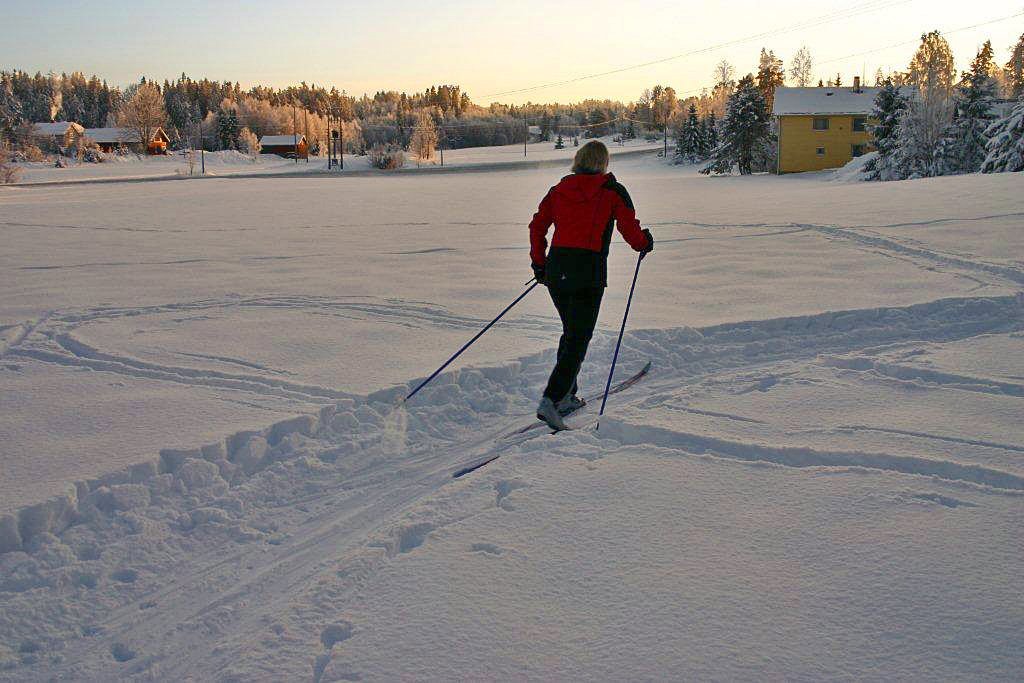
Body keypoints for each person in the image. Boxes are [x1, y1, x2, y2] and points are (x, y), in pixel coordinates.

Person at [529, 140, 653, 430]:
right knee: (578, 339)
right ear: (603, 163)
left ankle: (566, 396)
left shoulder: (559, 190)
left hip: (557, 272)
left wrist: (539, 264)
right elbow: (629, 228)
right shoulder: (612, 190)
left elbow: (537, 226)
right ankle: (552, 399)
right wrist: (644, 243)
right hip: (588, 273)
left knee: (571, 333)